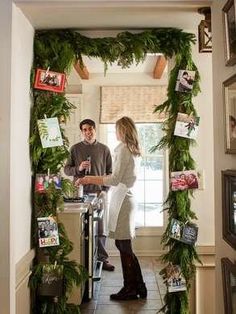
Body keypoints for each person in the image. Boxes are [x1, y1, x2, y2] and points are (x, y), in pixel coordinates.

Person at [75, 116, 147, 300]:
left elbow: (114, 179)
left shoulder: (123, 149)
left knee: (123, 244)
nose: (115, 132)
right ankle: (139, 285)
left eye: (117, 129)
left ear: (122, 130)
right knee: (124, 244)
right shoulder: (132, 149)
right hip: (124, 198)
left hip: (123, 199)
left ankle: (130, 288)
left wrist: (89, 178)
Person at [64, 118, 114, 271]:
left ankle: (102, 259)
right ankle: (83, 260)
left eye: (90, 129)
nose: (88, 132)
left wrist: (105, 190)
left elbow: (111, 173)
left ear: (95, 129)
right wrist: (78, 168)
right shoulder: (75, 149)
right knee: (81, 228)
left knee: (100, 228)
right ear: (82, 132)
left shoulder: (104, 149)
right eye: (85, 129)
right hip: (79, 195)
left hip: (99, 194)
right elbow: (67, 170)